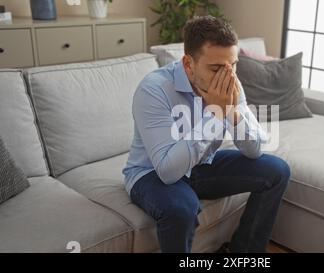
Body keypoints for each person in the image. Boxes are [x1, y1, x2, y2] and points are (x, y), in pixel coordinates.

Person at [122, 15, 291, 253]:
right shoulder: (154, 89)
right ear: (188, 64)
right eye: (216, 68)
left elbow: (255, 150)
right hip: (150, 173)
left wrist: (231, 113)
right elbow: (168, 172)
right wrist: (215, 114)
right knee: (182, 208)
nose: (227, 76)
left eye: (233, 65)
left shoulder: (231, 82)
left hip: (200, 165)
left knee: (277, 170)